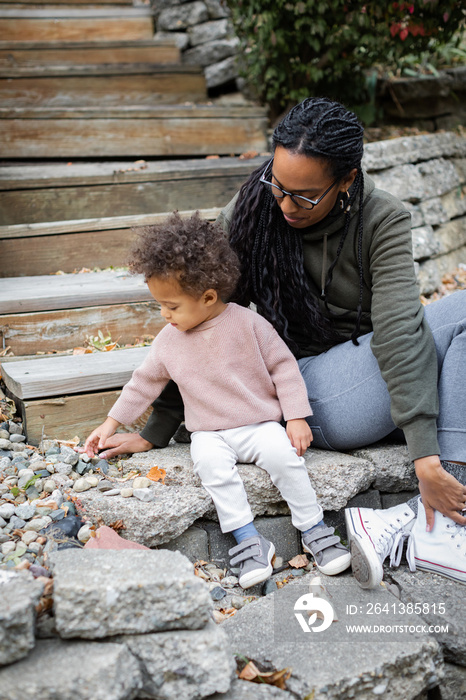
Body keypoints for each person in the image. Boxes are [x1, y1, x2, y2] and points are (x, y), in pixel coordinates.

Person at [96, 97, 466, 588]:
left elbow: (399, 330)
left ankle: (444, 501)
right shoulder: (253, 208)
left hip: (358, 375)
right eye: (278, 183)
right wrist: (156, 428)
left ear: (347, 180)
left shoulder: (382, 219)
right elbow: (192, 318)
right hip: (300, 398)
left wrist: (424, 454)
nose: (285, 204)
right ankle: (438, 517)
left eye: (306, 196)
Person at [82, 212, 351, 588]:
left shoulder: (249, 324)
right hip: (209, 433)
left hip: (259, 425)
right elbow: (142, 384)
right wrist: (110, 423)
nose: (164, 314)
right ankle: (249, 540)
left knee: (284, 459)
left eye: (171, 306)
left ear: (208, 297)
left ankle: (314, 528)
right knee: (211, 468)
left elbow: (284, 369)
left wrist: (296, 417)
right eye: (159, 304)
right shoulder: (168, 341)